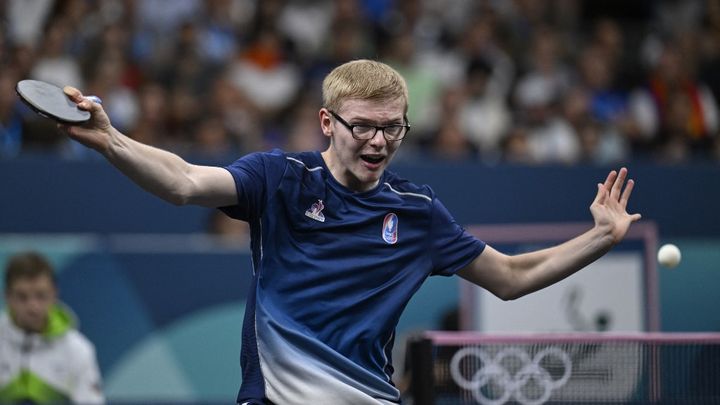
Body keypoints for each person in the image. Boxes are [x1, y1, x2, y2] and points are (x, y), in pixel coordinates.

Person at [59, 59, 641, 404]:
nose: (378, 142)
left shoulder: (418, 213)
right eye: (362, 126)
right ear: (327, 122)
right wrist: (112, 139)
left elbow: (511, 277)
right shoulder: (280, 179)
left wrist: (601, 238)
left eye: (393, 128)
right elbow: (184, 181)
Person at [0, 251, 105, 404]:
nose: (32, 307)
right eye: (22, 297)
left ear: (54, 294)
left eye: (41, 295)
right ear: (7, 297)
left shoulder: (78, 350)